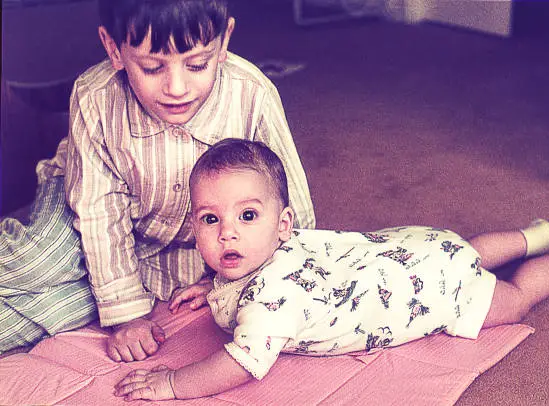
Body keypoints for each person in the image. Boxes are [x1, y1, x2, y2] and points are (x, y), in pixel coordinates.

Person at [114, 139, 549, 401]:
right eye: (210, 219)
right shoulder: (273, 246)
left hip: (430, 295)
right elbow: (236, 272)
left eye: (247, 216)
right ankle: (530, 235)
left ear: (283, 223)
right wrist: (212, 287)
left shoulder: (272, 302)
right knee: (465, 250)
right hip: (410, 249)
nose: (228, 234)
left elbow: (241, 364)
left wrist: (173, 384)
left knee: (513, 298)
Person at [0, 0, 316, 360]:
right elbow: (98, 213)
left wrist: (226, 280)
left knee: (66, 307)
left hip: (169, 248)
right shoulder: (96, 97)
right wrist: (128, 315)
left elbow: (291, 214)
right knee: (42, 262)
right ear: (113, 49)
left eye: (197, 64)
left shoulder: (253, 94)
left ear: (224, 41)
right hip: (86, 201)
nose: (177, 88)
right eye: (152, 67)